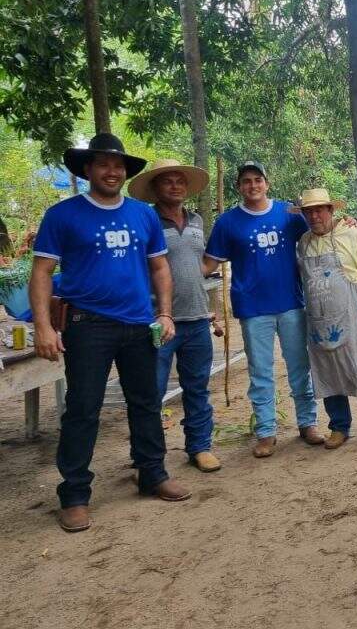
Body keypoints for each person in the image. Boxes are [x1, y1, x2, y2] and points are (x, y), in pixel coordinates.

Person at [30, 133, 191, 533]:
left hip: (139, 323)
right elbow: (41, 273)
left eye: (118, 165)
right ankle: (75, 495)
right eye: (103, 163)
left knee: (145, 402)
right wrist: (44, 327)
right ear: (87, 169)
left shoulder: (143, 215)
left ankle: (152, 473)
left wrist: (165, 313)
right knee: (83, 408)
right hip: (87, 325)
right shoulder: (63, 215)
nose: (112, 171)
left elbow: (159, 268)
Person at [202, 161, 323, 457]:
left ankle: (307, 423)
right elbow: (209, 263)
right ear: (239, 187)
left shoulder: (288, 213)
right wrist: (173, 274)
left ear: (267, 183)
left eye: (258, 180)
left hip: (291, 302)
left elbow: (320, 230)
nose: (253, 185)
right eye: (246, 181)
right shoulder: (227, 222)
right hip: (253, 307)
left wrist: (348, 224)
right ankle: (266, 431)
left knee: (299, 366)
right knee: (260, 371)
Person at [128, 159, 223, 472]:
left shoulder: (196, 220)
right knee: (150, 391)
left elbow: (201, 267)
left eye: (180, 181)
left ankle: (200, 447)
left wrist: (213, 311)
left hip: (196, 319)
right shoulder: (145, 221)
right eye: (167, 181)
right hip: (158, 321)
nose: (175, 186)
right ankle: (148, 456)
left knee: (197, 387)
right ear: (154, 188)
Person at [292, 188, 357, 449]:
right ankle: (339, 427)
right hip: (318, 321)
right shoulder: (303, 242)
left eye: (319, 210)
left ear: (330, 211)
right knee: (327, 372)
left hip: (353, 314)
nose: (314, 216)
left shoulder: (354, 235)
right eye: (308, 212)